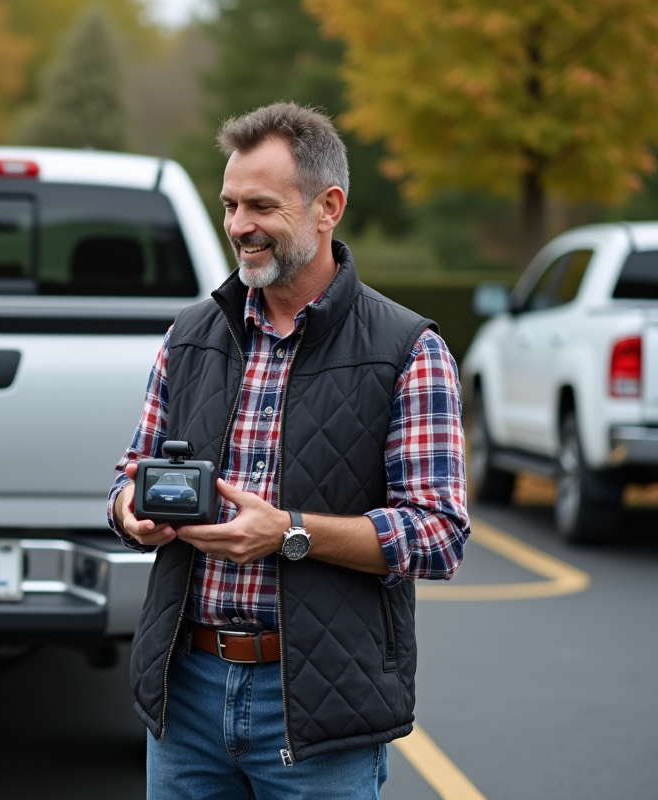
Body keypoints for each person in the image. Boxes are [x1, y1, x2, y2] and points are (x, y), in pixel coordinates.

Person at [108, 103, 469, 799]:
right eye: (230, 204)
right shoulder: (189, 338)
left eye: (261, 206)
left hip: (320, 707)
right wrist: (131, 511)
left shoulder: (407, 351)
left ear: (328, 206)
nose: (239, 225)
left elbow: (439, 534)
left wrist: (289, 534)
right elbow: (127, 479)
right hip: (185, 695)